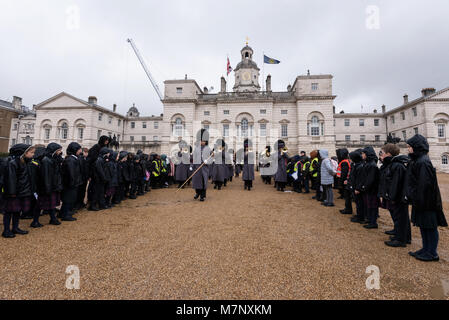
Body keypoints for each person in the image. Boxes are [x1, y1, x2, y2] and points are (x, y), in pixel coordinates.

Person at [406, 134, 447, 262]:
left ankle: (432, 253)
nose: (408, 149)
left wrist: (418, 199)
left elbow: (424, 184)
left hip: (427, 201)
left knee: (430, 226)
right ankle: (426, 249)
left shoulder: (423, 161)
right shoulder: (419, 160)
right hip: (422, 199)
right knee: (424, 226)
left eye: (410, 147)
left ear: (416, 147)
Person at [378, 143, 411, 247]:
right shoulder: (391, 164)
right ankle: (400, 234)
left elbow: (396, 184)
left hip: (397, 197)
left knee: (400, 218)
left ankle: (401, 239)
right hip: (393, 196)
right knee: (397, 217)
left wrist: (392, 197)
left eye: (381, 153)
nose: (380, 155)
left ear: (388, 154)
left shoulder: (397, 165)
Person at [2, 144, 35, 238]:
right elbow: (11, 179)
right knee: (9, 211)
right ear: (24, 153)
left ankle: (15, 228)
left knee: (17, 211)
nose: (33, 154)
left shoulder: (25, 162)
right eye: (31, 152)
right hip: (14, 192)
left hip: (22, 191)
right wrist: (12, 192)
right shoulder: (13, 163)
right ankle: (6, 230)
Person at [39, 143, 63, 225]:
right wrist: (48, 187)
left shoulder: (54, 158)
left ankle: (53, 218)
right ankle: (35, 221)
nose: (60, 152)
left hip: (53, 184)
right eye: (59, 150)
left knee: (51, 204)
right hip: (48, 185)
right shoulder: (46, 160)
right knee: (41, 204)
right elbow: (46, 175)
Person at [358, 146, 380, 229]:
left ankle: (373, 222)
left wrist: (364, 187)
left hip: (371, 190)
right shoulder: (367, 163)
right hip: (368, 189)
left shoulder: (372, 165)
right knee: (369, 205)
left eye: (363, 153)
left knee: (372, 206)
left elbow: (370, 179)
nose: (362, 155)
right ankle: (370, 219)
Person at [60, 142, 83, 221]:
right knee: (68, 199)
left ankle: (62, 213)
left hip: (70, 183)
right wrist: (73, 183)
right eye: (79, 149)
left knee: (68, 199)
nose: (80, 151)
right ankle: (66, 215)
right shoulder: (71, 160)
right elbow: (71, 173)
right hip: (70, 184)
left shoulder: (72, 158)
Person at [192, 129, 212, 201]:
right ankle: (197, 193)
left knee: (203, 182)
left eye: (203, 141)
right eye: (201, 140)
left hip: (204, 168)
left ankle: (202, 196)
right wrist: (192, 166)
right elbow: (194, 158)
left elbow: (211, 159)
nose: (202, 142)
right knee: (196, 182)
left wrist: (207, 161)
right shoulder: (196, 148)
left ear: (206, 141)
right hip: (197, 168)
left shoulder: (208, 149)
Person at [349, 149, 365, 224]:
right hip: (354, 186)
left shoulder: (360, 166)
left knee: (359, 203)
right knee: (357, 203)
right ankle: (359, 215)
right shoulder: (356, 165)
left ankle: (360, 217)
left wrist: (358, 188)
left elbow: (360, 179)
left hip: (357, 188)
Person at [337, 148, 352, 215]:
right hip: (345, 181)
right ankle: (347, 208)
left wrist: (340, 183)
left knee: (347, 197)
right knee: (347, 197)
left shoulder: (344, 162)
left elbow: (344, 174)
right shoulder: (346, 161)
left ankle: (348, 209)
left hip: (345, 182)